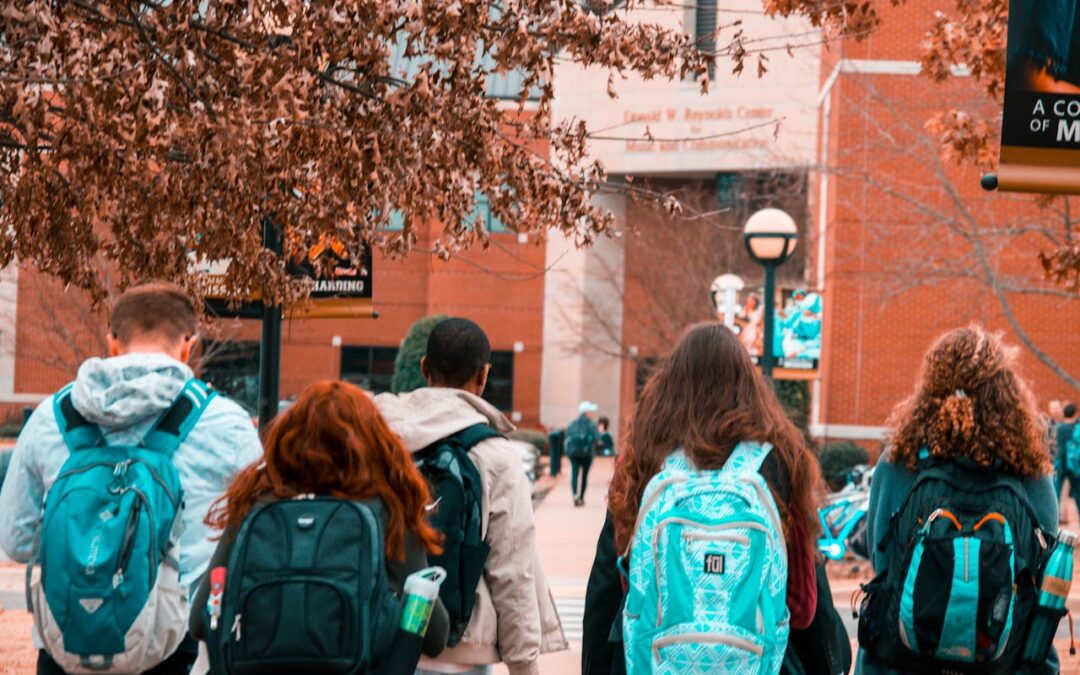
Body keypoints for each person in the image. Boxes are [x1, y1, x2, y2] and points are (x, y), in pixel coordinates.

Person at [0, 282, 263, 675]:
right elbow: (257, 539)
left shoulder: (50, 418)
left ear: (112, 341)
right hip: (175, 652)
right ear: (189, 345)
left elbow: (16, 541)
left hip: (66, 649)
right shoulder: (225, 423)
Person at [599, 323, 823, 673]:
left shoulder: (642, 459)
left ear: (670, 384)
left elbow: (611, 584)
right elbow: (803, 606)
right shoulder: (780, 461)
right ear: (749, 386)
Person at [189, 381, 450, 670]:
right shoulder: (387, 511)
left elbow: (201, 620)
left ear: (287, 440)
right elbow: (435, 636)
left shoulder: (256, 506)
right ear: (372, 443)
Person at [859, 326, 1059, 674]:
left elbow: (882, 558)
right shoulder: (1030, 470)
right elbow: (1043, 575)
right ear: (1007, 392)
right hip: (1006, 663)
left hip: (901, 662)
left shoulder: (899, 462)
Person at [375, 317, 566, 675]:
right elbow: (513, 569)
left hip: (383, 641)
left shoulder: (378, 441)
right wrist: (524, 665)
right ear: (483, 376)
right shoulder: (495, 455)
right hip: (463, 650)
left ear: (424, 367)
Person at [565, 401, 600, 507]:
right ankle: (581, 497)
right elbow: (597, 438)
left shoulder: (572, 423)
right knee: (584, 476)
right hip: (587, 454)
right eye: (590, 411)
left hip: (574, 453)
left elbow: (568, 436)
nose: (592, 413)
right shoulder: (592, 424)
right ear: (586, 412)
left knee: (574, 474)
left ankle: (575, 495)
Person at [1058, 402, 1080, 522]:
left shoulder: (1060, 428)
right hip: (1075, 465)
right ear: (1075, 413)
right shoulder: (1077, 427)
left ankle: (1055, 519)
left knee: (1056, 493)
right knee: (1078, 494)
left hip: (1059, 465)